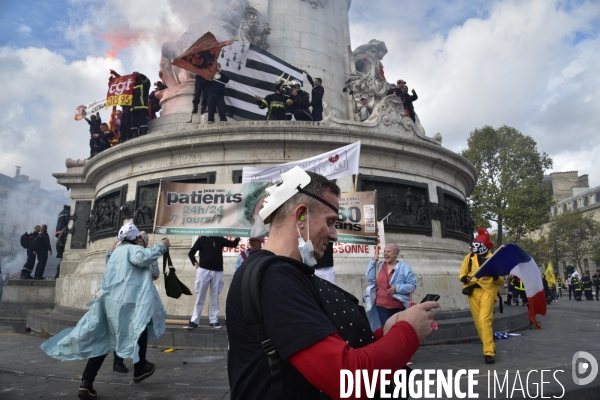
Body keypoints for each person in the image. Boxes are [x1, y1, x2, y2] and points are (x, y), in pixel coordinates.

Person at [226, 166, 438, 399]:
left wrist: (386, 334)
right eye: (330, 221)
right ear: (301, 216)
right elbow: (346, 378)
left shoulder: (281, 274)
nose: (334, 234)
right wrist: (408, 332)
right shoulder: (275, 279)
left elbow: (328, 347)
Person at [40, 223, 170, 400]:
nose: (141, 239)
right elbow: (143, 257)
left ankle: (87, 382)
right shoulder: (131, 250)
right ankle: (140, 368)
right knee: (140, 325)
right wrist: (162, 245)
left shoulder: (116, 252)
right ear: (134, 238)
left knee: (103, 341)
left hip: (109, 302)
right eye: (139, 237)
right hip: (127, 303)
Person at [459, 227, 504, 364]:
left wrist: (496, 275)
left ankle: (489, 352)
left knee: (485, 320)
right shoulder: (469, 258)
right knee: (479, 322)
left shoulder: (493, 258)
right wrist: (464, 279)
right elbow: (461, 274)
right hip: (473, 292)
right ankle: (489, 344)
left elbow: (500, 281)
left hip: (488, 292)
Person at [185, 236, 240, 329]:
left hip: (217, 271)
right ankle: (194, 320)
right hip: (203, 270)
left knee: (215, 296)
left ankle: (214, 320)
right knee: (200, 296)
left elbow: (233, 244)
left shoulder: (219, 239)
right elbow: (191, 253)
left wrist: (237, 237)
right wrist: (195, 263)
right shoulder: (201, 239)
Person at [365, 243, 417, 330]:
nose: (385, 253)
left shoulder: (405, 268)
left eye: (388, 252)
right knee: (387, 331)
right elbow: (369, 278)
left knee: (400, 331)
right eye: (384, 251)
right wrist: (373, 261)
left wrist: (397, 288)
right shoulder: (380, 266)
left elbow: (412, 285)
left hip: (399, 307)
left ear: (395, 254)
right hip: (382, 307)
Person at [131, 72, 151, 137]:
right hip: (133, 107)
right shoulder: (131, 87)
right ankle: (134, 133)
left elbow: (147, 81)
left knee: (143, 119)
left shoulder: (144, 84)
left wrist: (140, 75)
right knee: (133, 121)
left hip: (142, 105)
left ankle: (144, 130)